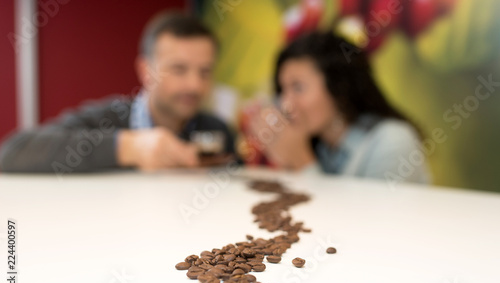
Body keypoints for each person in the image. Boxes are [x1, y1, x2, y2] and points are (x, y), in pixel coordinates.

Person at [0, 12, 235, 173]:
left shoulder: (217, 129)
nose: (195, 85)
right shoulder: (105, 119)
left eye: (205, 72)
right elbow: (13, 152)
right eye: (178, 69)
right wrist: (131, 148)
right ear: (146, 71)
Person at [248, 31, 430, 184]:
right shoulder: (321, 146)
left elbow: (371, 222)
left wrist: (301, 161)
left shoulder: (392, 142)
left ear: (338, 87)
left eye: (298, 88)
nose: (286, 104)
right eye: (283, 90)